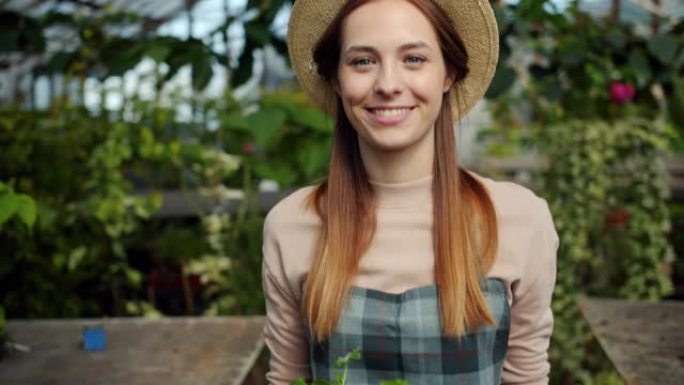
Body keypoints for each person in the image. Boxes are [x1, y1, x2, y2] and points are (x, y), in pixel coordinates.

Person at [262, 0, 558, 384]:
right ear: (336, 79)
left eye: (414, 59)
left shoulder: (521, 221)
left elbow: (526, 379)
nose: (388, 84)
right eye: (362, 61)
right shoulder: (291, 226)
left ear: (449, 73)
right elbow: (286, 379)